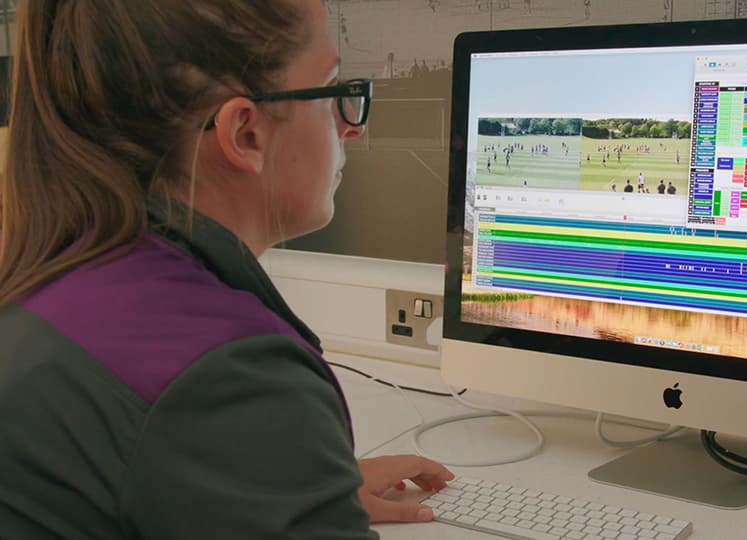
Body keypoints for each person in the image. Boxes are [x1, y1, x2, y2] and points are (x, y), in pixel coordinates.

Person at [0, 1, 453, 538]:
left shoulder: (58, 277)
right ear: (245, 133)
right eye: (333, 90)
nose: (349, 128)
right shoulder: (231, 375)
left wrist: (287, 487)